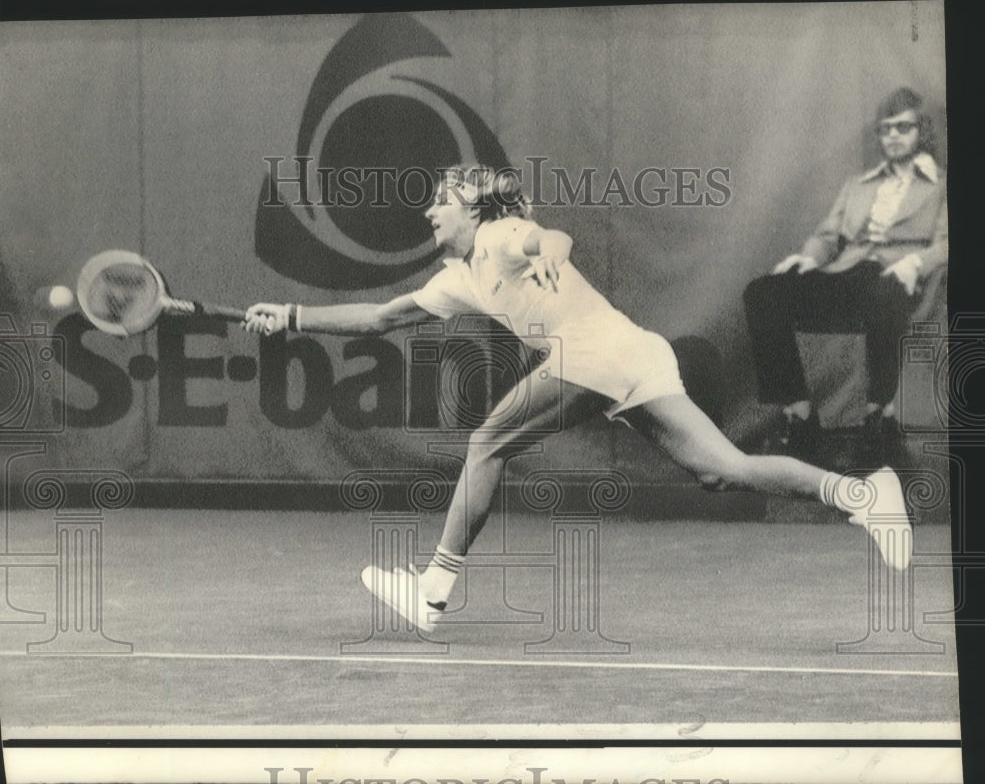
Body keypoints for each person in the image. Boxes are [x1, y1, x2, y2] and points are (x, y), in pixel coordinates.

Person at [245, 163, 912, 634]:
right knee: (724, 468)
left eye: (440, 200)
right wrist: (295, 315)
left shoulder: (500, 236)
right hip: (633, 351)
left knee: (487, 440)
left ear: (473, 207)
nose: (428, 211)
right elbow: (381, 317)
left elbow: (549, 238)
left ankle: (432, 592)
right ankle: (862, 494)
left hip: (595, 351)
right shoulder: (459, 277)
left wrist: (549, 253)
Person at [743, 87, 947, 459]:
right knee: (762, 292)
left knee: (883, 294)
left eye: (903, 127)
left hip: (896, 279)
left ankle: (877, 418)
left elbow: (948, 243)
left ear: (922, 131)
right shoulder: (858, 186)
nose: (894, 136)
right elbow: (827, 235)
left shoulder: (942, 186)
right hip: (846, 274)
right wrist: (807, 259)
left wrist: (914, 263)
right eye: (886, 129)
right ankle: (802, 419)